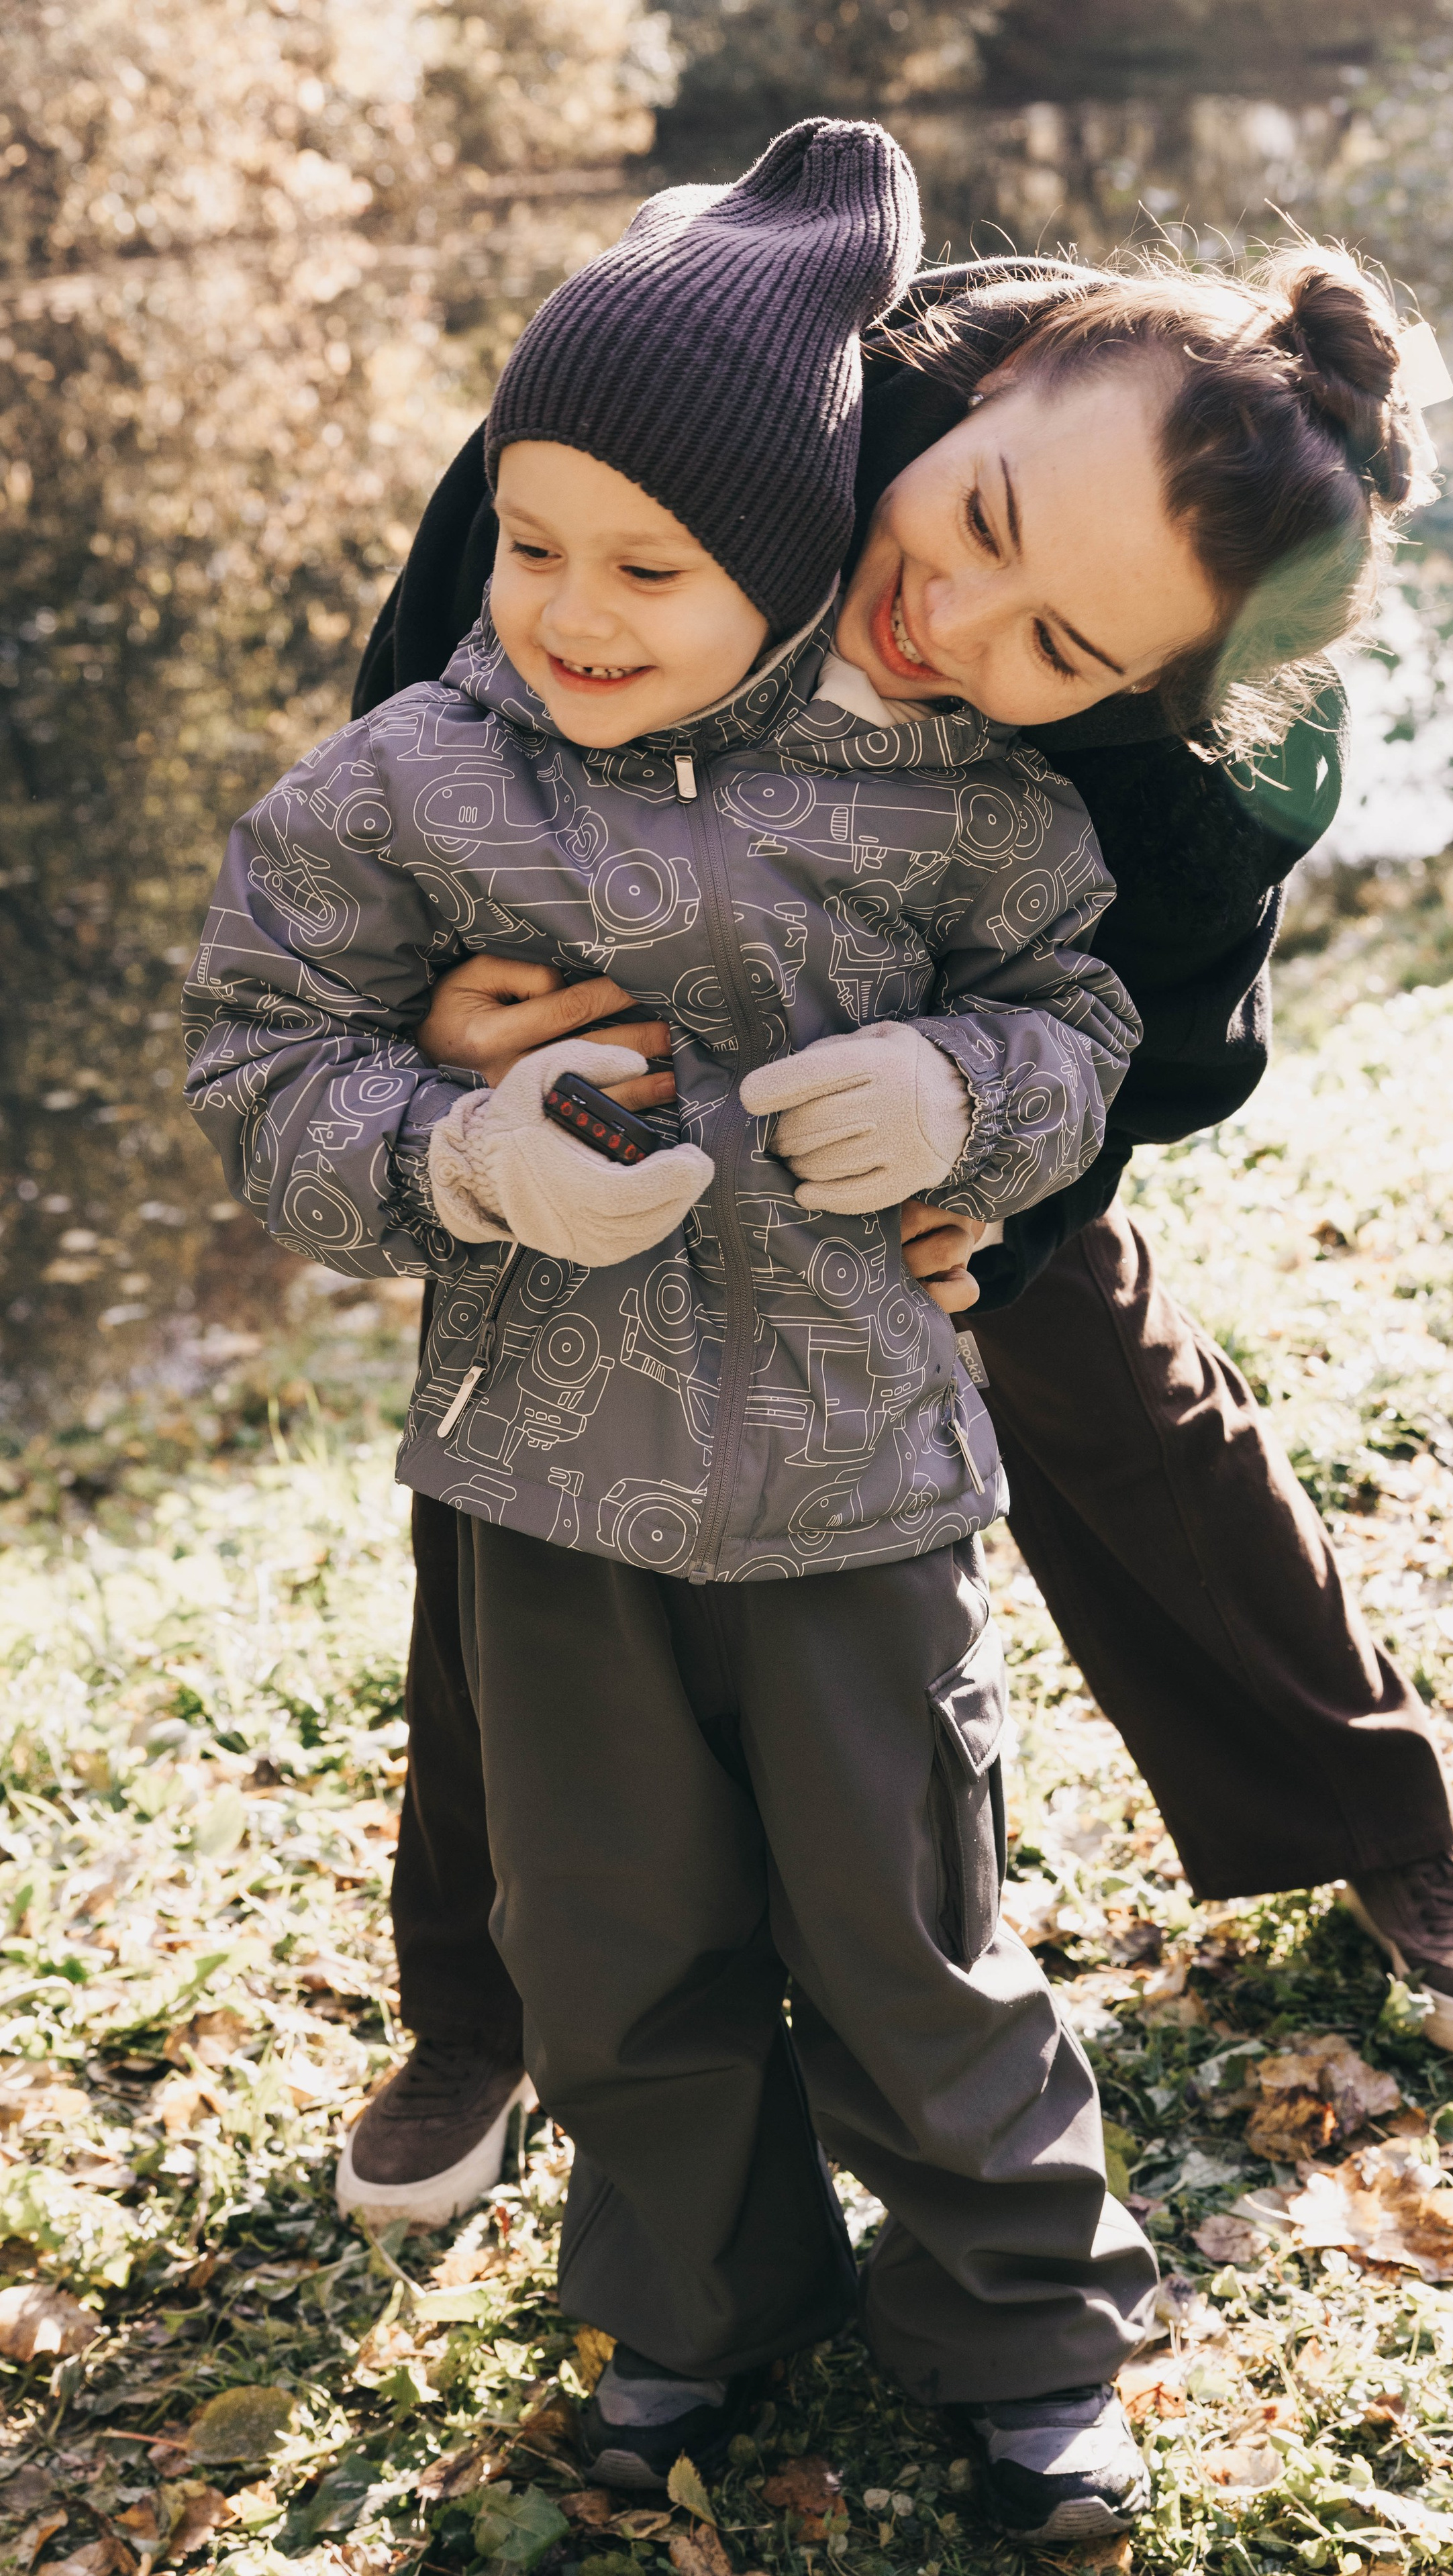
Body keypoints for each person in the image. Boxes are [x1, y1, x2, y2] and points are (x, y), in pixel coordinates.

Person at [340, 236, 1453, 2252]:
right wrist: (438, 1012)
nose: (953, 615)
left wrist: (996, 1192)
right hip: (622, 998)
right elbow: (406, 725)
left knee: (1108, 1394)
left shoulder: (1219, 763)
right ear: (976, 391)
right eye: (976, 521)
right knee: (533, 1478)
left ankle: (1374, 1823)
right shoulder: (710, 383)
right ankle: (482, 2008)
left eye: (1063, 647)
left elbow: (1170, 1056)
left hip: (960, 1046)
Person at [187, 121, 1170, 2542]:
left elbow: (1087, 1021)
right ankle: (689, 2316)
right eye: (530, 541)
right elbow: (254, 1052)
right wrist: (451, 1150)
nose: (574, 610)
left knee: (912, 1923)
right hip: (548, 1486)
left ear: (801, 566)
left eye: (653, 566)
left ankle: (1027, 2340)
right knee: (609, 1947)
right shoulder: (408, 787)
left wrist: (970, 1089)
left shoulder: (960, 804)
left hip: (857, 1481)